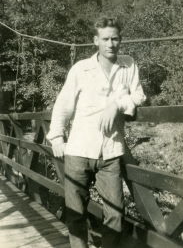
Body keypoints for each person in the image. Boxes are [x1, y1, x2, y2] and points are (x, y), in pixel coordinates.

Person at [47, 17, 146, 248]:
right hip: (78, 152)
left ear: (120, 40)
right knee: (76, 213)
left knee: (115, 215)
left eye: (115, 38)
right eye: (105, 39)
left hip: (110, 153)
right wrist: (56, 136)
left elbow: (139, 95)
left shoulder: (128, 65)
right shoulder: (81, 69)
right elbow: (63, 105)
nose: (111, 44)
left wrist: (117, 105)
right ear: (95, 41)